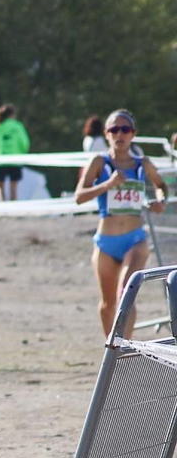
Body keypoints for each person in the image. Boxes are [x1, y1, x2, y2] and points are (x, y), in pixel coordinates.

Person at [75, 109, 167, 336]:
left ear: (133, 134)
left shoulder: (142, 164)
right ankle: (112, 354)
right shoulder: (99, 162)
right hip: (106, 242)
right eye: (114, 129)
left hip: (135, 240)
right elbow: (79, 196)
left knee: (125, 294)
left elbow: (161, 185)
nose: (120, 134)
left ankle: (125, 349)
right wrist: (107, 185)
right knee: (108, 304)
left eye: (125, 129)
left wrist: (160, 200)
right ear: (106, 134)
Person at [0, 105, 30, 202]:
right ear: (12, 115)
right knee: (13, 187)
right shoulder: (18, 126)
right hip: (15, 160)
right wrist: (21, 153)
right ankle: (12, 207)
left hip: (1, 160)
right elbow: (25, 143)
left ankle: (2, 206)